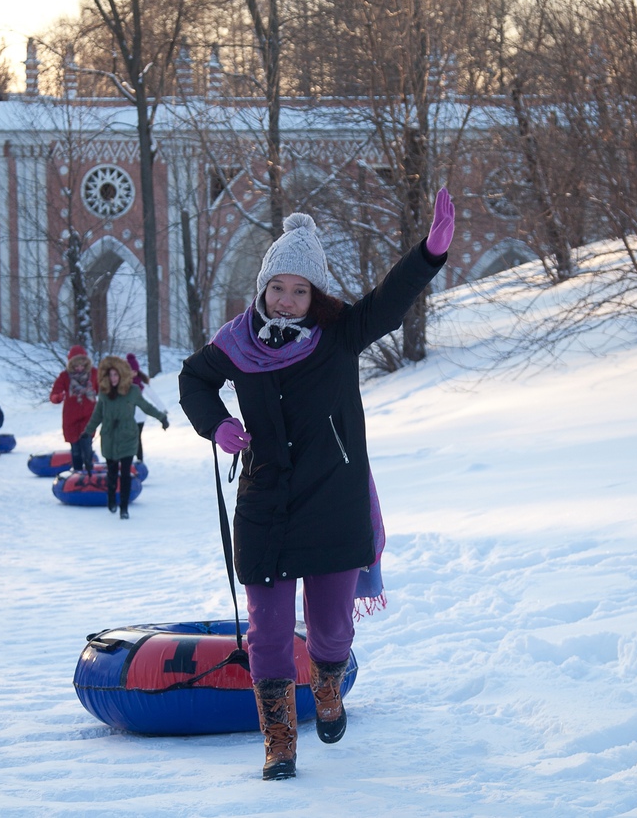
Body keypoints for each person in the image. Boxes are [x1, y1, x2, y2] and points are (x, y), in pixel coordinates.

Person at [177, 189, 454, 781]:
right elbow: (194, 379)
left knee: (331, 628)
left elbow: (388, 302)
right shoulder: (237, 342)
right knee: (269, 631)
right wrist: (218, 424)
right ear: (263, 287)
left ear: (315, 296)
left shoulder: (338, 336)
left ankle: (328, 683)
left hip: (333, 500)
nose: (286, 299)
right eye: (278, 286)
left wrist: (429, 254)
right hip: (266, 502)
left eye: (300, 290)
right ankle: (279, 740)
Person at [82, 355, 168, 519]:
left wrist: (161, 418)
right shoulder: (104, 393)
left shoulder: (132, 391)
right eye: (110, 375)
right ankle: (111, 500)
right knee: (112, 472)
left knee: (126, 472)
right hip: (109, 437)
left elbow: (146, 406)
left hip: (128, 435)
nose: (113, 378)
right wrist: (88, 431)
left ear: (121, 375)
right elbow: (97, 414)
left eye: (116, 375)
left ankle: (124, 507)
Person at [49, 345, 98, 475]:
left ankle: (89, 473)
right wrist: (58, 397)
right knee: (75, 449)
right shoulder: (64, 376)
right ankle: (77, 474)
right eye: (76, 366)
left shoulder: (93, 374)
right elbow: (54, 394)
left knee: (86, 446)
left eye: (82, 365)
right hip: (71, 417)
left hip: (89, 416)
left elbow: (103, 389)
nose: (80, 368)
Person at [125, 353, 166, 462]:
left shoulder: (142, 383)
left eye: (134, 371)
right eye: (130, 371)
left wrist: (162, 409)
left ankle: (139, 460)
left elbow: (153, 396)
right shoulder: (123, 384)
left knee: (137, 438)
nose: (132, 373)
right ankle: (127, 461)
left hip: (140, 417)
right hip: (127, 416)